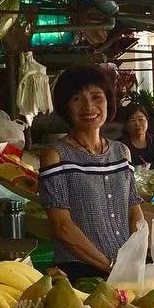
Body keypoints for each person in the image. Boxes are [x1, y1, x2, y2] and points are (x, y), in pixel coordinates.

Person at [39, 67, 141, 280]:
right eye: (77, 99)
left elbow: (134, 211)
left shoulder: (121, 152)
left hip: (124, 269)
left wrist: (137, 256)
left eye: (97, 97)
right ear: (66, 106)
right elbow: (62, 227)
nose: (89, 107)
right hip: (79, 272)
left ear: (108, 102)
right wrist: (110, 267)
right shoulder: (56, 155)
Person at [121, 103, 154, 169]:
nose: (137, 124)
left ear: (147, 120)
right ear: (126, 124)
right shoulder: (120, 147)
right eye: (132, 120)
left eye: (141, 119)